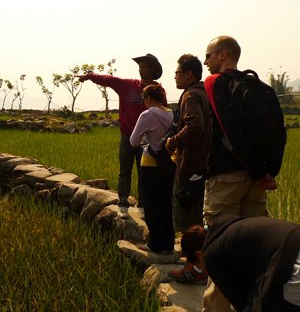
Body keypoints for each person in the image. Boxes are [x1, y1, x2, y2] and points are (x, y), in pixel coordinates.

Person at [201, 35, 285, 312]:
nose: (206, 61)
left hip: (227, 178)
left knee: (219, 250)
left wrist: (256, 171)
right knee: (254, 252)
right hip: (256, 180)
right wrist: (266, 173)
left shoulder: (215, 82)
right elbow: (280, 134)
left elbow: (229, 131)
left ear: (224, 55)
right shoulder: (258, 86)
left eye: (209, 55)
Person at [78, 54, 163, 219]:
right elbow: (110, 79)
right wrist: (90, 76)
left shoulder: (157, 91)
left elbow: (163, 114)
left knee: (144, 172)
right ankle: (123, 203)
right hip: (127, 136)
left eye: (144, 66)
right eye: (139, 66)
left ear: (153, 69)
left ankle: (143, 205)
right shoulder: (128, 85)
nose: (140, 68)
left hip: (147, 141)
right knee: (124, 171)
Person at [164, 54, 212, 233]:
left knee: (187, 220)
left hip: (191, 164)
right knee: (200, 216)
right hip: (205, 164)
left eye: (177, 72)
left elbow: (194, 126)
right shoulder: (205, 92)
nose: (175, 76)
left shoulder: (190, 96)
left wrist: (172, 141)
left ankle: (189, 257)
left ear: (189, 74)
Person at [129, 84, 176, 253]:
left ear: (148, 98)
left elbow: (133, 141)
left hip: (150, 163)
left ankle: (155, 244)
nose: (144, 103)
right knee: (166, 203)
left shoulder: (147, 115)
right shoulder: (171, 113)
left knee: (152, 205)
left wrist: (145, 140)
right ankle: (169, 243)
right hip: (168, 163)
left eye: (144, 99)